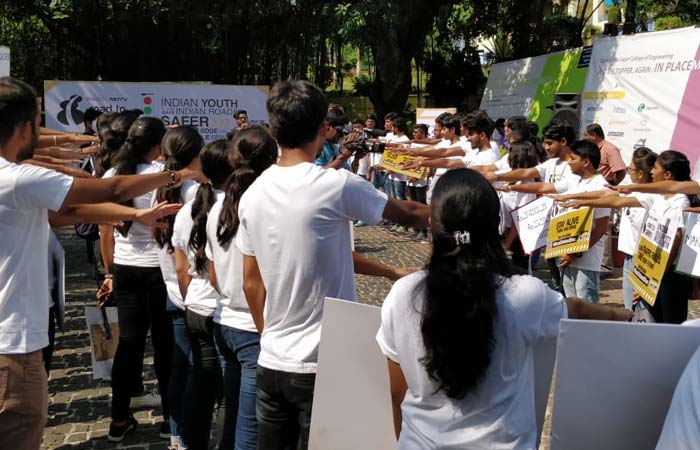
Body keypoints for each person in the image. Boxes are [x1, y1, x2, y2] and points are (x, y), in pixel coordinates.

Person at [0, 76, 199, 450]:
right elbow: (113, 190)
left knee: (130, 343)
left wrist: (133, 218)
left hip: (117, 275)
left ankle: (121, 417)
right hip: (11, 347)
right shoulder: (17, 179)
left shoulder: (18, 186)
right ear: (27, 129)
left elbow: (68, 213)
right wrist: (176, 174)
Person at [235, 80, 429, 450]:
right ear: (322, 128)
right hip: (325, 363)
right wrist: (460, 210)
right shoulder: (335, 185)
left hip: (272, 361)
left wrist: (268, 338)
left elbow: (251, 283)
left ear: (273, 130)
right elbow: (408, 213)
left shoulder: (253, 194)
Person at [376, 168, 631, 449]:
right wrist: (623, 315)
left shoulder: (403, 294)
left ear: (432, 225)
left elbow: (396, 393)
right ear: (496, 224)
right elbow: (576, 308)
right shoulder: (525, 295)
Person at [99, 117, 176, 442]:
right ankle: (170, 420)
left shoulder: (113, 175)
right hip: (158, 269)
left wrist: (109, 272)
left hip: (126, 268)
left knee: (128, 345)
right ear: (159, 145)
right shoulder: (163, 178)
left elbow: (105, 228)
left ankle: (118, 418)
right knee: (165, 347)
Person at [562, 150, 697, 323]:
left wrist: (651, 282)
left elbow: (674, 242)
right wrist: (581, 201)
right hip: (651, 270)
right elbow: (617, 200)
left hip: (668, 276)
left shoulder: (679, 202)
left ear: (668, 175)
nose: (652, 172)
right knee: (651, 322)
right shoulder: (659, 198)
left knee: (671, 327)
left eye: (656, 168)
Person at [208, 127, 278, 450]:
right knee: (250, 425)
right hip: (254, 328)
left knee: (231, 408)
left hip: (225, 321)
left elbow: (212, 275)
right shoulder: (265, 209)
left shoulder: (214, 210)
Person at [499, 140, 610, 303]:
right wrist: (511, 187)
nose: (569, 162)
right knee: (572, 304)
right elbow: (544, 188)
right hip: (565, 253)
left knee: (587, 306)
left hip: (585, 260)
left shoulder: (601, 186)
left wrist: (575, 253)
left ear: (585, 162)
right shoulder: (574, 180)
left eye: (573, 158)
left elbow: (600, 228)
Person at [173, 140, 229, 450]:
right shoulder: (233, 208)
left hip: (194, 305)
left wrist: (190, 298)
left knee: (200, 383)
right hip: (221, 310)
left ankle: (189, 443)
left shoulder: (185, 211)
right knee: (225, 393)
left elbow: (180, 267)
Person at [550, 147, 658, 309]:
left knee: (639, 310)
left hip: (643, 259)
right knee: (629, 308)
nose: (628, 172)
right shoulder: (633, 189)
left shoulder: (649, 196)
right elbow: (603, 194)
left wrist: (580, 202)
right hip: (630, 258)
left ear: (641, 174)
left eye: (631, 169)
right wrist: (572, 196)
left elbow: (613, 202)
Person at [152, 125, 205, 450]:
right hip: (194, 294)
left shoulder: (161, 187)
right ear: (196, 155)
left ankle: (176, 434)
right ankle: (189, 435)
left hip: (172, 290)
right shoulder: (196, 196)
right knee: (199, 373)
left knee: (179, 368)